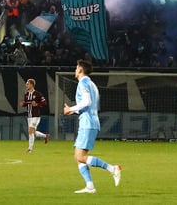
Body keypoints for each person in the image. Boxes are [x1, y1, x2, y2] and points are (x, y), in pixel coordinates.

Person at [62, 59, 121, 194]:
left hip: (87, 123)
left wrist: (71, 108)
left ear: (80, 70)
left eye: (76, 67)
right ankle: (90, 186)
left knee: (80, 157)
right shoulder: (92, 84)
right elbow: (89, 105)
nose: (75, 70)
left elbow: (87, 102)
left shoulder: (83, 83)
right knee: (78, 156)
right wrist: (73, 111)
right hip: (91, 122)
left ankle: (113, 169)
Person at [21, 78, 49, 153]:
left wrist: (37, 104)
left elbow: (44, 103)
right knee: (32, 132)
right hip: (29, 116)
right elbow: (26, 104)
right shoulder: (26, 95)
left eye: (27, 84)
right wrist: (23, 104)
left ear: (32, 85)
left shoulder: (37, 94)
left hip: (36, 116)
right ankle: (45, 136)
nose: (26, 85)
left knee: (31, 131)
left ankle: (30, 149)